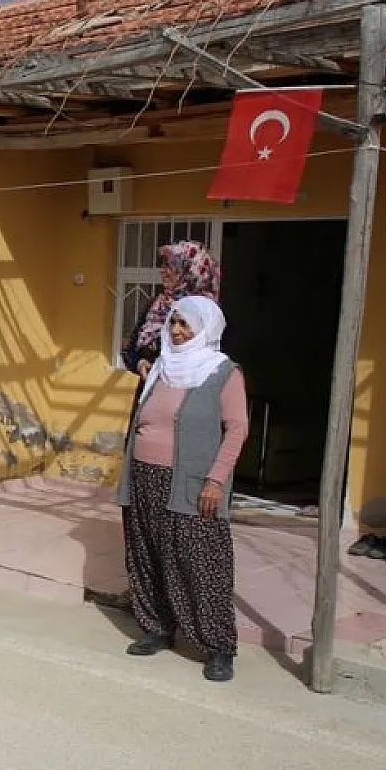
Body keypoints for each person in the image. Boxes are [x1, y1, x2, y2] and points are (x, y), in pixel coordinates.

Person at [117, 295, 249, 682]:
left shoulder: (223, 372)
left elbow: (237, 429)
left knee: (201, 561)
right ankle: (157, 628)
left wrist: (216, 480)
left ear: (205, 329)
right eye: (173, 323)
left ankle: (218, 646)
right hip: (143, 476)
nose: (176, 331)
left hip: (192, 483)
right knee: (147, 554)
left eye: (185, 325)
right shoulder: (161, 367)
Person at [121, 240, 220, 383]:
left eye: (170, 266)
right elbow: (130, 350)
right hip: (151, 394)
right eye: (163, 265)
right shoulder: (156, 305)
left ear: (190, 271)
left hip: (188, 395)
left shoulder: (207, 313)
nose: (163, 270)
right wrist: (140, 363)